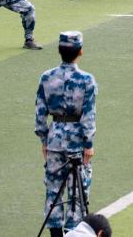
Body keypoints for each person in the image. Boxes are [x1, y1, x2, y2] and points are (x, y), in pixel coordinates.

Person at [35, 31, 98, 237]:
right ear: (80, 52)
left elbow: (40, 112)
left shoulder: (47, 77)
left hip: (54, 139)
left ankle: (55, 234)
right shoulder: (87, 80)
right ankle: (74, 232)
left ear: (59, 50)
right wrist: (88, 144)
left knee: (53, 190)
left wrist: (44, 140)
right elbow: (88, 115)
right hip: (77, 142)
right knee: (77, 193)